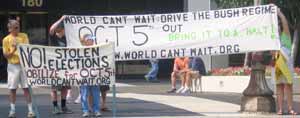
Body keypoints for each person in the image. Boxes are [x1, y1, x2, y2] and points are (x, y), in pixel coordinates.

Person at [3, 19, 35, 118]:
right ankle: (12, 111)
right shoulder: (6, 39)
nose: (18, 29)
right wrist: (13, 49)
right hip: (13, 66)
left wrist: (20, 46)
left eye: (18, 26)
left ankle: (30, 111)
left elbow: (27, 49)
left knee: (26, 88)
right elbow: (6, 56)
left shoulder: (24, 36)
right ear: (10, 29)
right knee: (12, 89)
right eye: (16, 27)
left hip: (23, 65)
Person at [272, 7, 298, 115]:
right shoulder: (273, 40)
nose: (277, 28)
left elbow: (285, 23)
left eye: (278, 26)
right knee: (279, 86)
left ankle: (291, 108)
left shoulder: (285, 35)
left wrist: (279, 13)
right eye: (276, 27)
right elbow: (272, 53)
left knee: (288, 86)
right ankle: (280, 109)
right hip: (277, 62)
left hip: (286, 63)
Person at [49, 16, 73, 114]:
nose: (64, 31)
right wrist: (61, 19)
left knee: (65, 87)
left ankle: (63, 106)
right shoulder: (53, 37)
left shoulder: (67, 39)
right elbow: (51, 29)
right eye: (63, 29)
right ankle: (55, 107)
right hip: (55, 66)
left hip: (65, 66)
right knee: (54, 88)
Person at [79, 34, 102, 117]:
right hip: (84, 76)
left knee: (96, 94)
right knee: (84, 94)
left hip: (94, 76)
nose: (92, 41)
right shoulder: (80, 50)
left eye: (92, 40)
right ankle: (85, 110)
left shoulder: (96, 49)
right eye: (90, 40)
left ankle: (96, 110)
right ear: (86, 41)